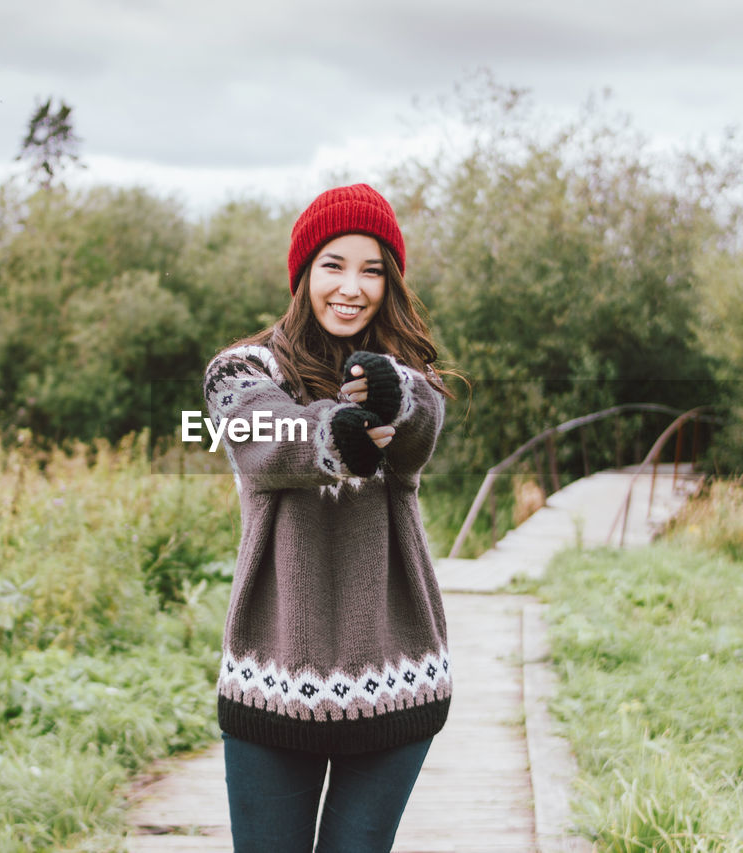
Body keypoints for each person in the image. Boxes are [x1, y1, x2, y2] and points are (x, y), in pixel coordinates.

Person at [202, 183, 455, 853]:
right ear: (304, 273)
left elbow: (420, 423)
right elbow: (265, 438)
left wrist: (393, 392)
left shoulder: (409, 381)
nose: (352, 285)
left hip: (396, 673)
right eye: (333, 264)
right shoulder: (241, 370)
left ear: (391, 282)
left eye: (372, 268)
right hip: (273, 677)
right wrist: (334, 430)